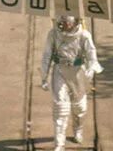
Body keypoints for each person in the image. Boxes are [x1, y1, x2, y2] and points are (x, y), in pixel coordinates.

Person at [40, 14, 102, 151]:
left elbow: (91, 53)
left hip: (77, 73)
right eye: (63, 21)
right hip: (60, 71)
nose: (66, 25)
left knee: (79, 107)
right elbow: (46, 55)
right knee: (60, 108)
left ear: (75, 22)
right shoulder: (54, 34)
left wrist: (91, 68)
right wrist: (44, 76)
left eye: (68, 22)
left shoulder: (84, 35)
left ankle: (78, 128)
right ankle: (59, 144)